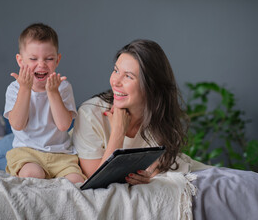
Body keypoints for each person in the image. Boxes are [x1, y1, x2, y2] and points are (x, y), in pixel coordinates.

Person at [72, 39, 206, 185]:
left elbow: (156, 168)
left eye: (128, 76)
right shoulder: (90, 114)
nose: (115, 81)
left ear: (150, 86)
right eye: (116, 70)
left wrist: (147, 176)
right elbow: (96, 181)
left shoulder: (158, 116)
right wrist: (118, 131)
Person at [4, 23, 85, 184]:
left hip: (61, 154)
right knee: (33, 175)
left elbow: (64, 125)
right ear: (20, 61)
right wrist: (25, 89)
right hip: (27, 152)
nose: (41, 64)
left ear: (57, 60)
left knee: (76, 181)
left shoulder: (63, 87)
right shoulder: (15, 88)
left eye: (49, 59)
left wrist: (53, 92)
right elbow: (17, 124)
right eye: (33, 59)